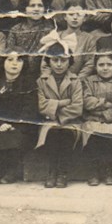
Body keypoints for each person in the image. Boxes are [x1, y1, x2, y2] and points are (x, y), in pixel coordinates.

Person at [0, 51, 40, 184]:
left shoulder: (30, 83)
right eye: (10, 60)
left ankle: (11, 170)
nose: (14, 63)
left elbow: (30, 108)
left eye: (19, 60)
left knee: (16, 136)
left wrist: (15, 124)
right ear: (3, 62)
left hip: (21, 125)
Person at [36, 41, 83, 188]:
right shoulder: (41, 81)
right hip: (49, 122)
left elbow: (77, 107)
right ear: (48, 62)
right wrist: (63, 102)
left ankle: (62, 172)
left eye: (63, 60)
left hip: (71, 121)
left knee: (65, 133)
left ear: (69, 62)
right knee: (53, 133)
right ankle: (52, 171)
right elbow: (41, 105)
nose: (59, 64)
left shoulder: (75, 81)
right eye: (55, 60)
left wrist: (54, 108)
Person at [81, 54, 112, 187]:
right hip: (90, 119)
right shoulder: (88, 81)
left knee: (110, 133)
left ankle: (109, 170)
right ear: (95, 66)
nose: (105, 68)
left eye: (109, 65)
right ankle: (94, 170)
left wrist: (103, 113)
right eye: (101, 65)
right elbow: (86, 101)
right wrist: (106, 102)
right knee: (93, 132)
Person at [5, 0, 55, 82]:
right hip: (18, 74)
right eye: (32, 6)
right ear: (25, 9)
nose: (36, 9)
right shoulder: (16, 29)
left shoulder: (50, 29)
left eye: (40, 6)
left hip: (41, 75)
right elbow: (10, 54)